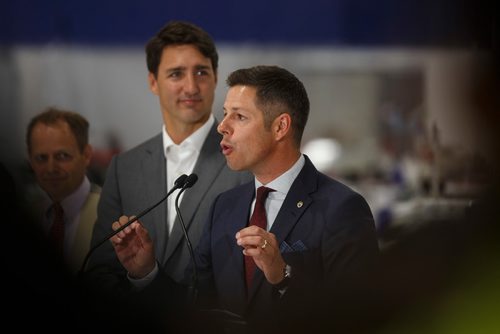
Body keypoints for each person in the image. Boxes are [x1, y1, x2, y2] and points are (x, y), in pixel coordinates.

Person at [110, 65, 380, 333]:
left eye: (239, 117)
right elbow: (196, 305)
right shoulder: (225, 206)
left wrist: (284, 275)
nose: (222, 127)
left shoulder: (342, 208)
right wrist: (146, 272)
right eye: (225, 114)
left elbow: (358, 316)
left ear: (280, 127)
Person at [84, 20, 251, 329]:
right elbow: (99, 272)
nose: (191, 86)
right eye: (176, 74)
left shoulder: (247, 164)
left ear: (216, 79)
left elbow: (247, 283)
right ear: (153, 82)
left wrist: (152, 281)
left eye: (201, 72)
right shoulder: (125, 168)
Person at [26, 107, 101, 274]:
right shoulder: (26, 215)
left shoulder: (112, 214)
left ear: (87, 155)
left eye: (62, 156)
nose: (51, 168)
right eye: (41, 158)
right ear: (30, 159)